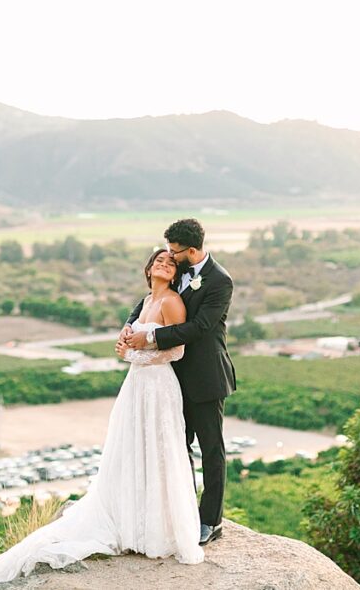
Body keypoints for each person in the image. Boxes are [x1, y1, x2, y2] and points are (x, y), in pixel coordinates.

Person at [0, 249, 203, 586]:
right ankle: (133, 520)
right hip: (136, 386)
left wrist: (133, 353)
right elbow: (133, 338)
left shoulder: (171, 303)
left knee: (159, 451)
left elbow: (176, 350)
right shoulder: (147, 301)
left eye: (170, 263)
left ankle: (160, 530)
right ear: (148, 268)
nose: (164, 265)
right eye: (158, 261)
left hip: (159, 386)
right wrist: (126, 349)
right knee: (132, 450)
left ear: (174, 273)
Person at [121, 217, 236, 546]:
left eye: (174, 251)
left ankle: (211, 521)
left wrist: (152, 337)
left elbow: (199, 327)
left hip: (206, 378)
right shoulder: (181, 268)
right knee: (176, 447)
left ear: (192, 249)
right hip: (171, 377)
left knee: (211, 450)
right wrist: (131, 326)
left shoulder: (219, 281)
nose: (169, 256)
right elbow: (150, 297)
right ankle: (183, 513)